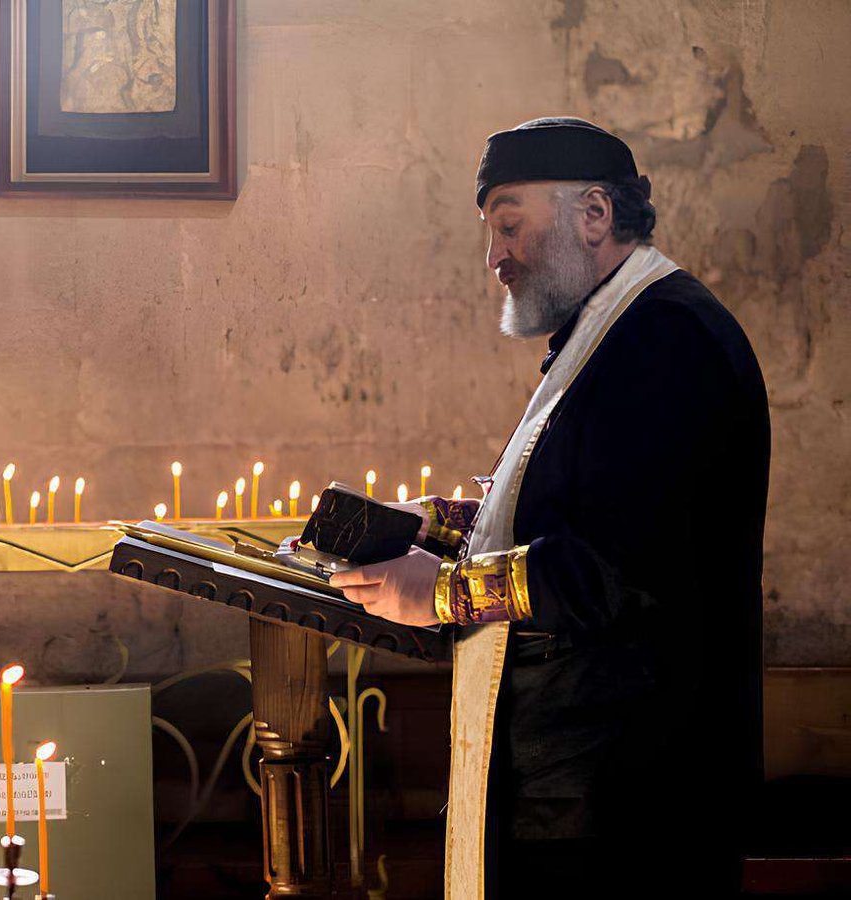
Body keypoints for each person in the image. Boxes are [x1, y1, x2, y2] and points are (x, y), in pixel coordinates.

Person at [329, 117, 770, 899]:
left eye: (508, 225)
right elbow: (587, 513)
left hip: (621, 801)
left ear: (594, 214)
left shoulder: (666, 339)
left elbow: (613, 569)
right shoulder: (615, 332)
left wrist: (436, 592)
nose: (493, 257)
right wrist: (446, 523)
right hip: (582, 787)